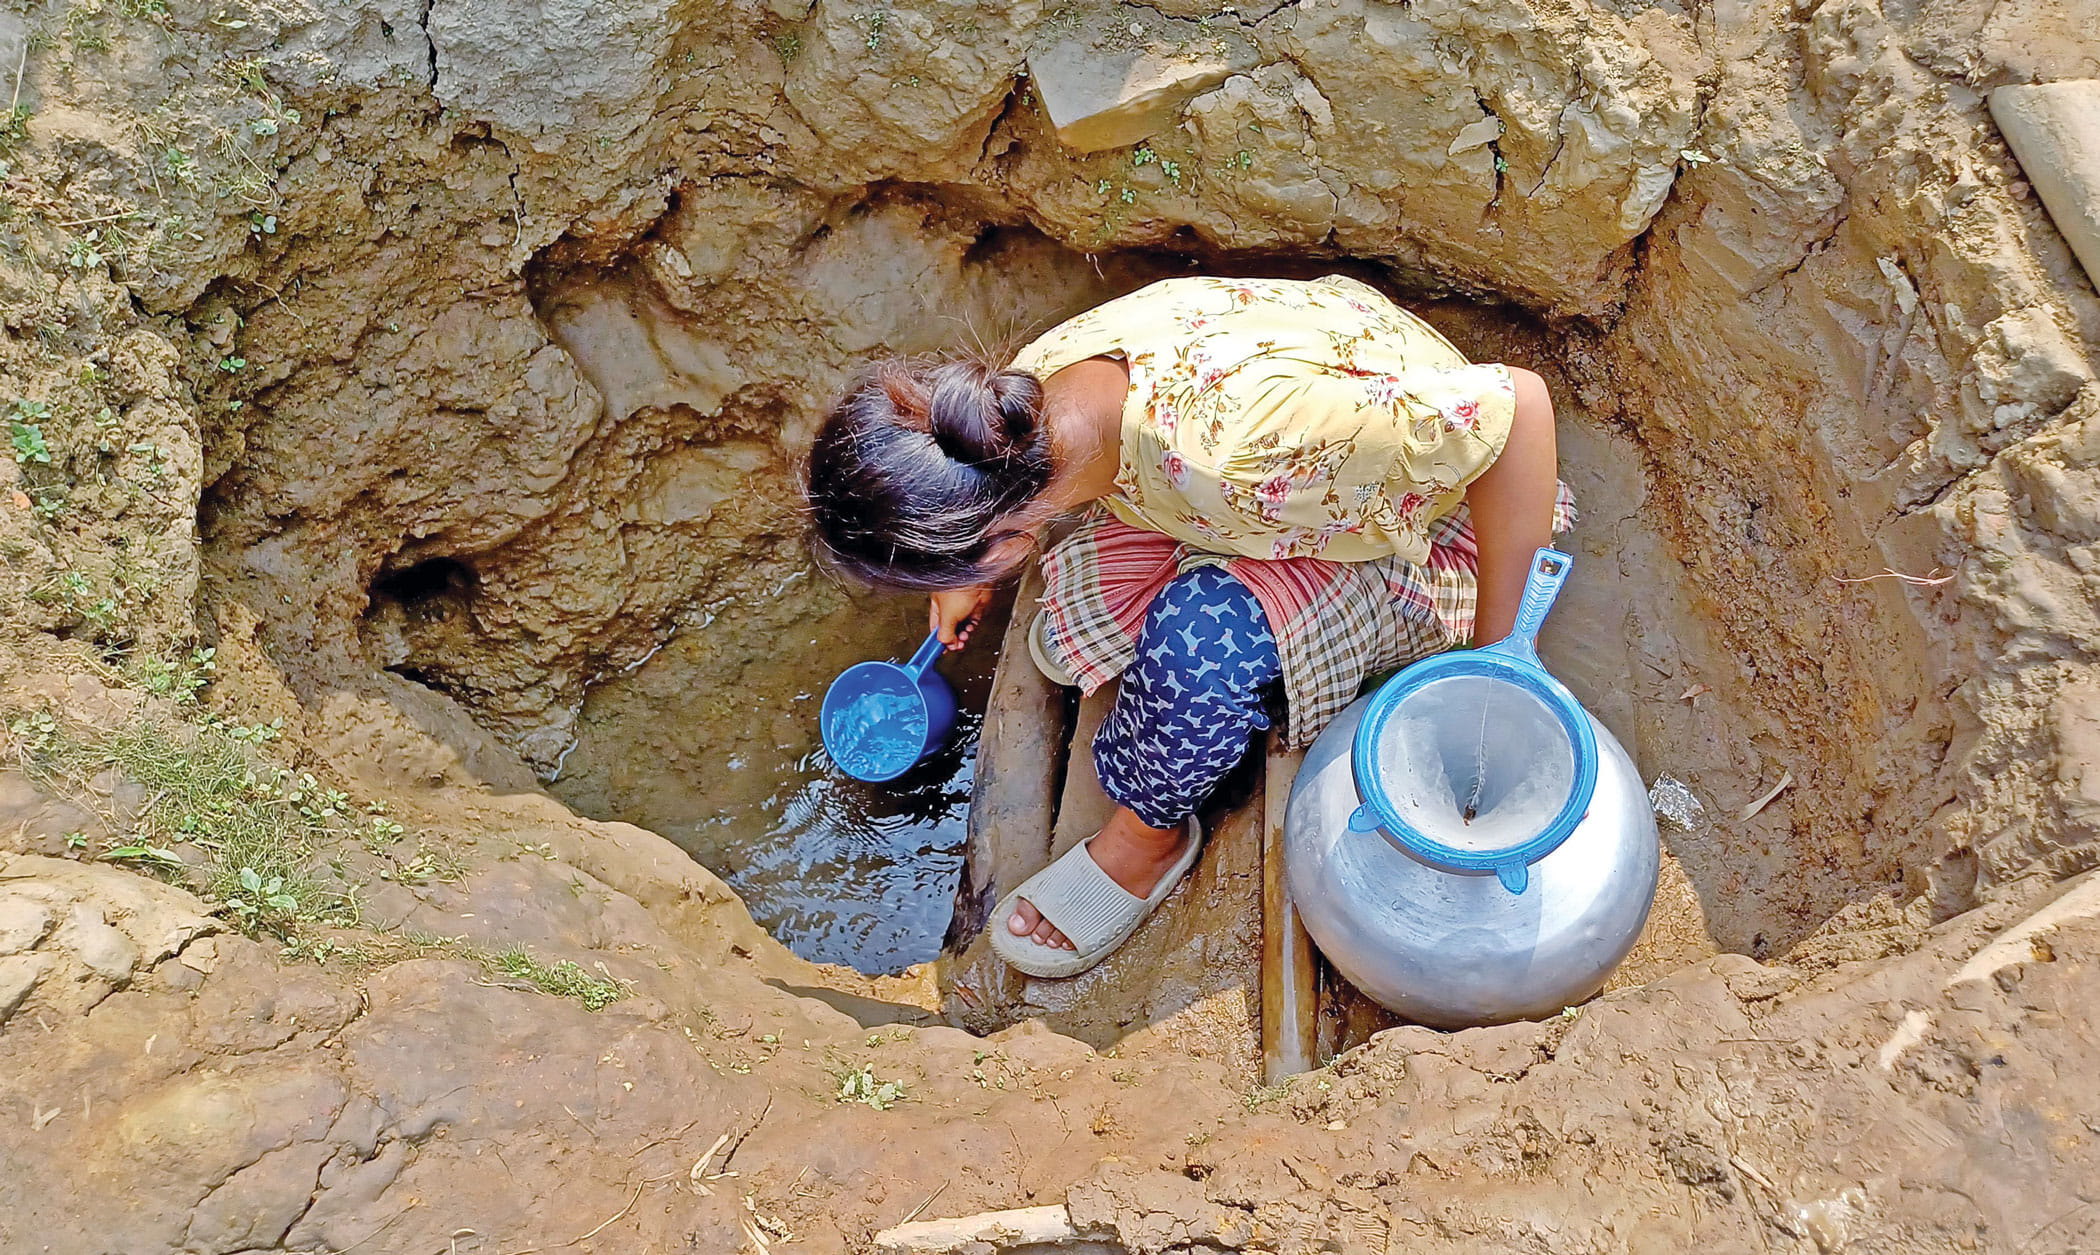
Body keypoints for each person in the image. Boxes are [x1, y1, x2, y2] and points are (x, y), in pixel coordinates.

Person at [804, 274, 1571, 978]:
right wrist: (967, 573)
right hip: (1273, 437)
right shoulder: (1023, 394)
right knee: (1082, 635)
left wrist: (1500, 663)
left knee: (1195, 645)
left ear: (994, 533)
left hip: (1412, 512)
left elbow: (1521, 411)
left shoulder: (1243, 452)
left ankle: (1149, 838)